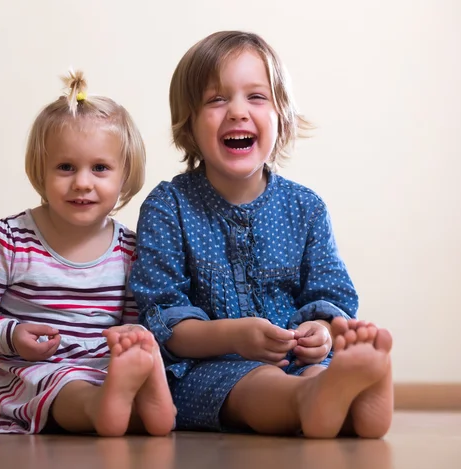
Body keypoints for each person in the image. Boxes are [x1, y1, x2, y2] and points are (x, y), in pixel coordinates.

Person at [130, 31, 393, 438]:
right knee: (254, 386)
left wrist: (322, 334)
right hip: (211, 369)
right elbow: (163, 321)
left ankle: (344, 397)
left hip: (302, 362)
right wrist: (234, 335)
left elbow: (329, 295)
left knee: (321, 368)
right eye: (217, 99)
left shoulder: (305, 207)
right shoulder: (169, 206)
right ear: (189, 123)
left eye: (256, 97)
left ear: (281, 117)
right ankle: (316, 400)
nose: (237, 111)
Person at [0, 70, 175, 436]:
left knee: (122, 381)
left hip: (107, 370)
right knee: (70, 391)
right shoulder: (9, 239)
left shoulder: (130, 248)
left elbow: (134, 319)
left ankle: (145, 397)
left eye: (100, 168)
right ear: (41, 170)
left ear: (124, 175)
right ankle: (112, 406)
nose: (82, 182)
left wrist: (131, 340)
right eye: (65, 167)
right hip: (34, 373)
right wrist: (11, 332)